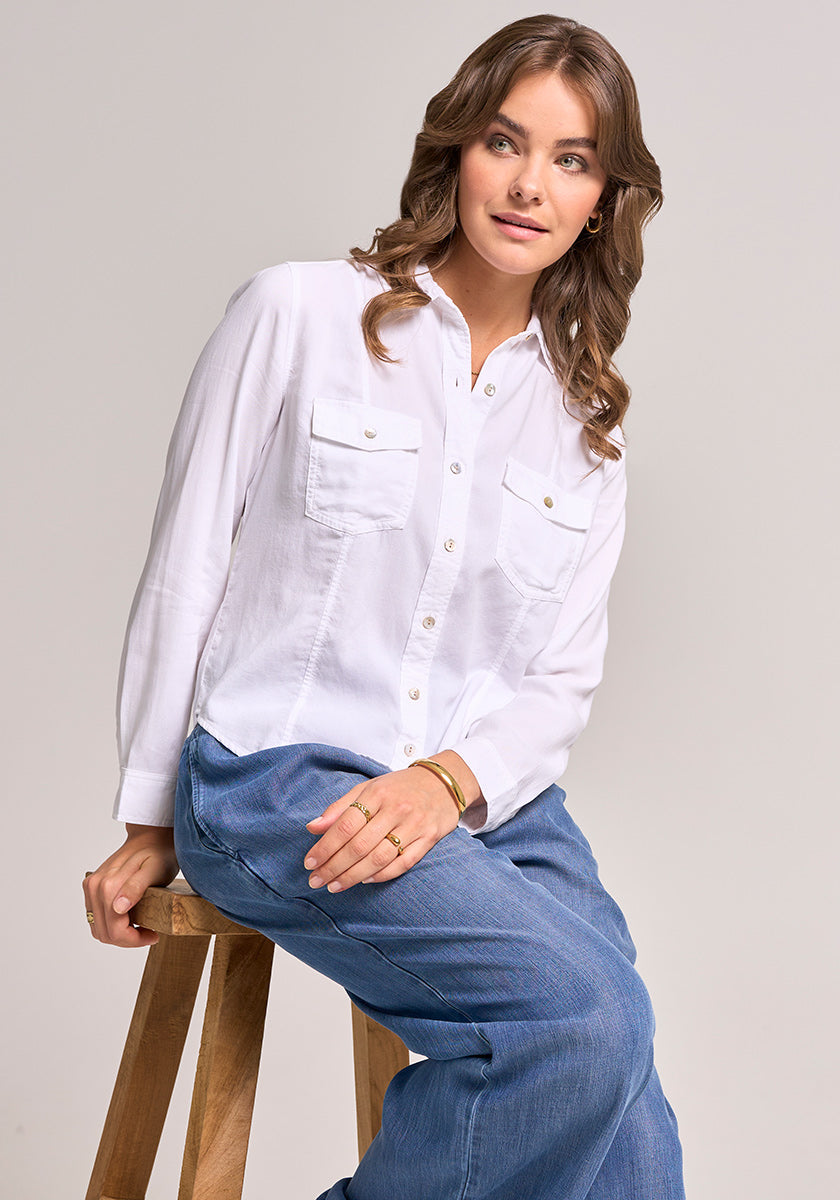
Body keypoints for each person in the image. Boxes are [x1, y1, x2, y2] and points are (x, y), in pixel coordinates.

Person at [84, 14, 685, 1199]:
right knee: (578, 1023)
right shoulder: (297, 316)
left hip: (488, 802)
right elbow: (186, 565)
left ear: (606, 198)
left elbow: (553, 683)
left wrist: (446, 782)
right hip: (278, 775)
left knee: (628, 1100)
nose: (527, 185)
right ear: (457, 149)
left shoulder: (586, 431)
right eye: (505, 143)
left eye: (571, 160)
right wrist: (154, 811)